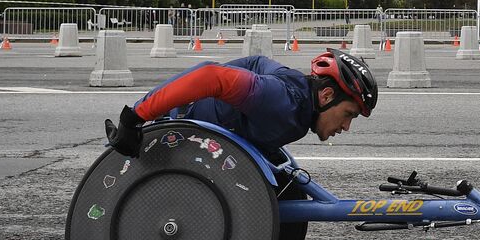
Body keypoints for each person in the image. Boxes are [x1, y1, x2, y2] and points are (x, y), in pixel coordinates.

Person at [104, 47, 380, 158]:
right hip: (176, 139)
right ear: (327, 95)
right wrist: (134, 117)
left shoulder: (295, 86)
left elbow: (256, 62)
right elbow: (210, 76)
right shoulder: (281, 101)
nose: (346, 127)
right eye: (349, 114)